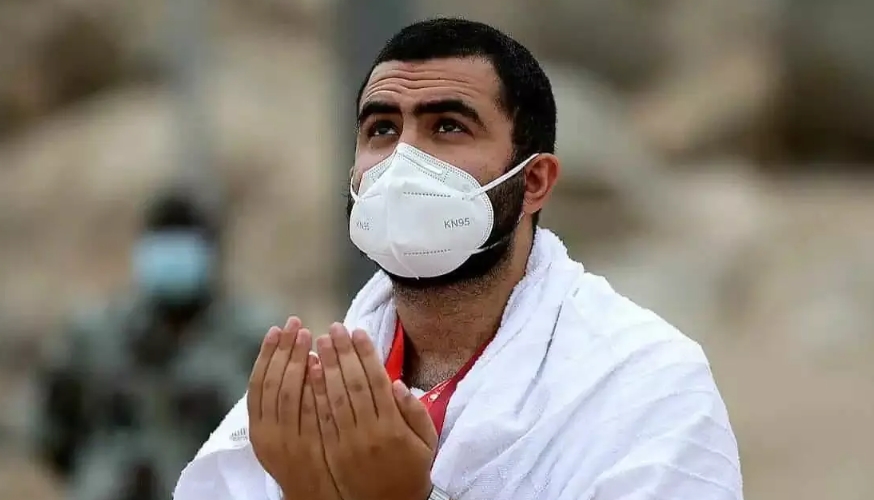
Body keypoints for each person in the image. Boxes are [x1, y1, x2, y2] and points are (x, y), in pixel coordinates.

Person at [174, 18, 743, 500]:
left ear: (535, 181)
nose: (403, 161)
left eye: (448, 127)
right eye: (381, 129)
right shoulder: (314, 395)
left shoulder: (640, 385)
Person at [31, 187, 279, 500]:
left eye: (184, 244)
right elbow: (52, 430)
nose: (172, 258)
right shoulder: (96, 337)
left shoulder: (255, 339)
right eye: (163, 242)